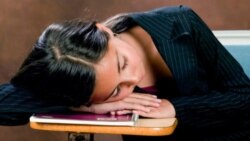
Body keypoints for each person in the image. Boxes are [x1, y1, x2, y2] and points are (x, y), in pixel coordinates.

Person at [0, 5, 250, 140]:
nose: (135, 79)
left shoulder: (180, 23)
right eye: (117, 90)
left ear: (104, 31)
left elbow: (243, 95)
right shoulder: (82, 87)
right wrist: (85, 106)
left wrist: (173, 108)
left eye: (122, 63)